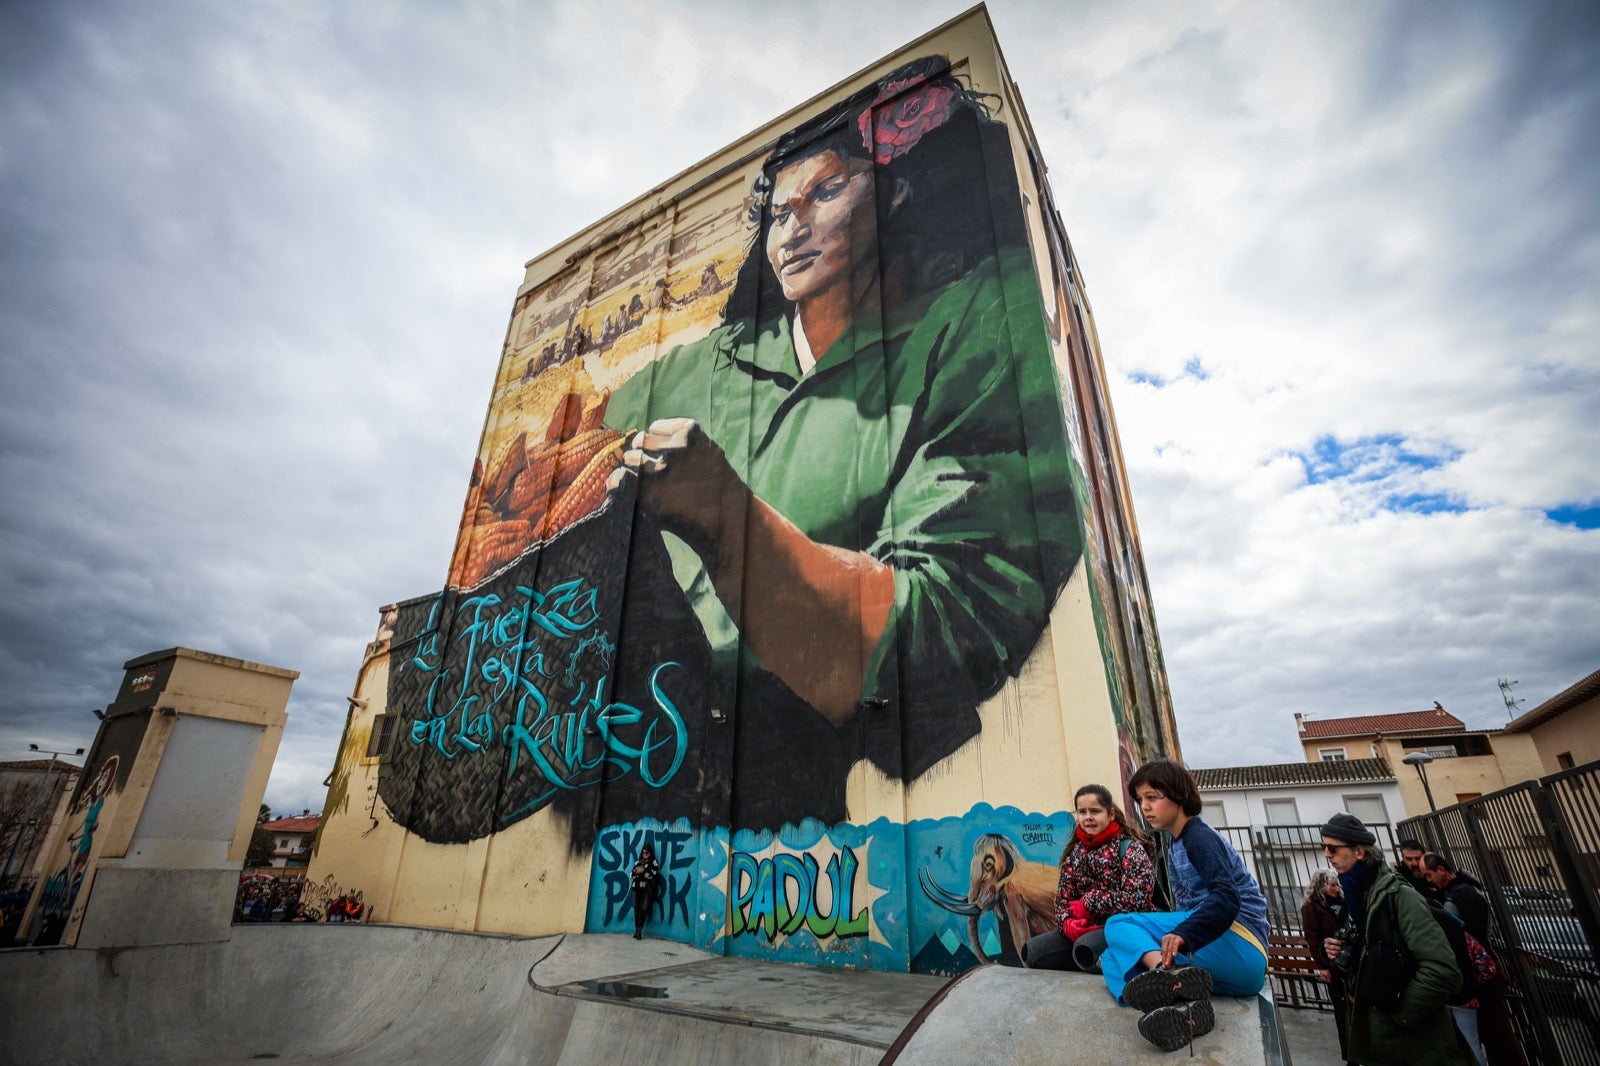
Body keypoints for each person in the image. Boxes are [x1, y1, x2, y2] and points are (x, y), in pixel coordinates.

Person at [600, 55, 1081, 833]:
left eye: (826, 193)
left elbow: (941, 640)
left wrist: (728, 522)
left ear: (891, 194)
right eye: (778, 211)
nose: (793, 230)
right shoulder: (705, 367)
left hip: (840, 824)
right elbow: (569, 449)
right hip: (653, 783)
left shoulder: (972, 332)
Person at [1100, 760, 1270, 1053]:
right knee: (1112, 957)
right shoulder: (1176, 843)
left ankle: (1168, 977)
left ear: (1178, 796)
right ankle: (1182, 1008)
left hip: (1240, 939)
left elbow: (1227, 898)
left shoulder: (1199, 837)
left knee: (1117, 924)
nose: (1144, 807)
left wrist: (1184, 933)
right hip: (1237, 978)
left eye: (1152, 797)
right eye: (1140, 800)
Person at [1320, 813, 1475, 1065]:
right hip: (1378, 1040)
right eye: (1324, 847)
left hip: (1412, 1044)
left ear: (1359, 852)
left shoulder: (1400, 896)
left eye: (1333, 848)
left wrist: (1398, 1017)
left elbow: (1443, 970)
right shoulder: (1355, 895)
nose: (1327, 854)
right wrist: (1335, 949)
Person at [1022, 784, 1156, 973]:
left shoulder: (1129, 849)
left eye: (1095, 811)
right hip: (1086, 929)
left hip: (1125, 928)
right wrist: (1067, 923)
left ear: (1110, 814)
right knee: (1034, 952)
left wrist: (1088, 904)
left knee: (1086, 949)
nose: (1088, 817)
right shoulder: (1074, 852)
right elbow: (1062, 900)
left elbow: (1138, 899)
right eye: (1082, 812)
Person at [1301, 869, 1350, 1061]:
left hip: (1349, 960)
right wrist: (1322, 965)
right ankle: (1348, 1051)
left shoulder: (1344, 902)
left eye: (1337, 885)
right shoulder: (1311, 907)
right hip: (1331, 962)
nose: (1337, 889)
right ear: (1321, 886)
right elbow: (1312, 939)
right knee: (1341, 1007)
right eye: (1332, 885)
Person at [630, 844, 662, 940]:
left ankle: (639, 930)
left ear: (650, 853)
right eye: (643, 852)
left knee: (644, 909)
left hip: (647, 889)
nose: (644, 854)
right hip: (637, 888)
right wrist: (637, 872)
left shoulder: (654, 862)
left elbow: (653, 874)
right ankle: (637, 930)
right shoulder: (638, 862)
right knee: (636, 908)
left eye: (646, 853)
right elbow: (631, 874)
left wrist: (643, 871)